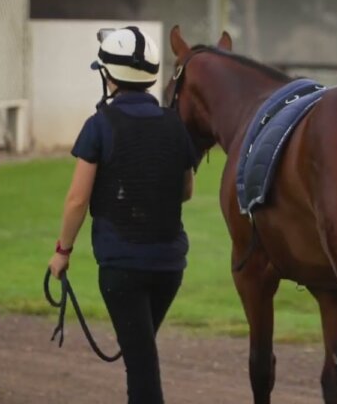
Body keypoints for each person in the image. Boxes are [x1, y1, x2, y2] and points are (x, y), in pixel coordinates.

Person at [47, 26, 196, 404]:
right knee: (140, 355)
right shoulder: (175, 125)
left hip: (122, 267)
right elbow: (187, 191)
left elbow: (77, 200)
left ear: (107, 75)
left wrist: (62, 252)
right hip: (169, 266)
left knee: (142, 366)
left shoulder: (99, 126)